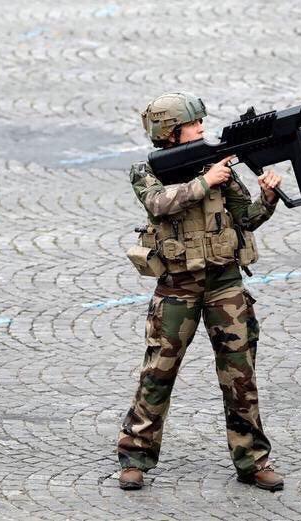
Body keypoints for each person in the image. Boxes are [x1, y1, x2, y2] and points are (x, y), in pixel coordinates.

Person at [117, 92, 284, 491]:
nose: (202, 128)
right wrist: (203, 182)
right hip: (177, 287)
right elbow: (157, 203)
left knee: (240, 374)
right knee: (158, 372)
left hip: (225, 283)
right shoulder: (147, 171)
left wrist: (269, 197)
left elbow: (246, 217)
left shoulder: (219, 167)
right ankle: (135, 455)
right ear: (171, 133)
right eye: (195, 124)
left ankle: (253, 460)